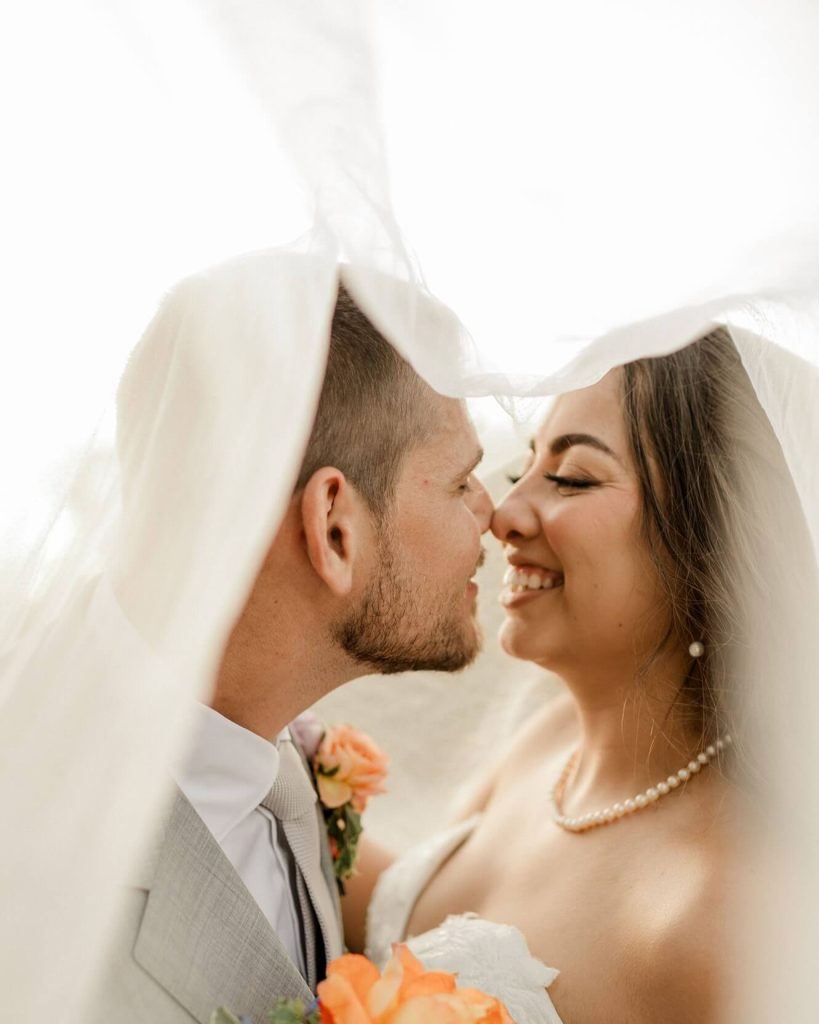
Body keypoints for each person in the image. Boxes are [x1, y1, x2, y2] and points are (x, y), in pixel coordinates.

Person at [357, 327, 813, 1024]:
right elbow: (402, 930)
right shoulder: (549, 742)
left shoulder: (720, 912)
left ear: (707, 540)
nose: (503, 515)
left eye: (571, 478)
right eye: (523, 473)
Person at [90, 282, 493, 1023]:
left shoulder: (278, 753)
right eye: (461, 482)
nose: (491, 514)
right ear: (334, 526)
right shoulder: (45, 868)